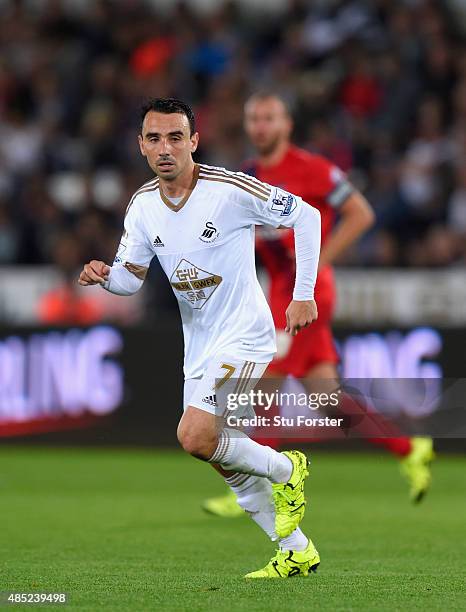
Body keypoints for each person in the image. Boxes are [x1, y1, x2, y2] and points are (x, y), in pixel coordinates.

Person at [78, 97, 324, 578]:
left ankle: (287, 470)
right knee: (214, 453)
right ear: (141, 146)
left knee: (194, 434)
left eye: (175, 137)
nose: (164, 147)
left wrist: (302, 294)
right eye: (154, 138)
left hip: (246, 335)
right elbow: (132, 279)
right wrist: (106, 276)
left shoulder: (228, 189)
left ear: (194, 141)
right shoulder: (144, 206)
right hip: (201, 344)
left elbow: (307, 216)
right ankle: (295, 548)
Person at [202, 92, 434, 519]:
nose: (260, 126)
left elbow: (361, 213)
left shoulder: (313, 169)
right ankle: (409, 448)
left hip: (307, 293)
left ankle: (257, 489)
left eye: (269, 118)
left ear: (287, 124)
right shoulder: (248, 175)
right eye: (254, 118)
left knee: (264, 376)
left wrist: (319, 260)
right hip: (274, 291)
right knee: (327, 397)